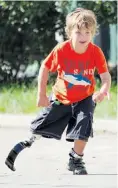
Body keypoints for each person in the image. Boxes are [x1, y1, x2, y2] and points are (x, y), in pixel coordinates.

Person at [5, 8, 111, 175]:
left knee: (85, 123)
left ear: (93, 33)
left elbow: (106, 77)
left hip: (85, 98)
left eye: (88, 32)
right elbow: (45, 68)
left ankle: (76, 159)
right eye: (78, 32)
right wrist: (41, 94)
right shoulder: (62, 50)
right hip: (62, 97)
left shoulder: (95, 52)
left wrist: (103, 90)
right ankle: (28, 141)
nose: (83, 36)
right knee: (41, 125)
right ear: (69, 32)